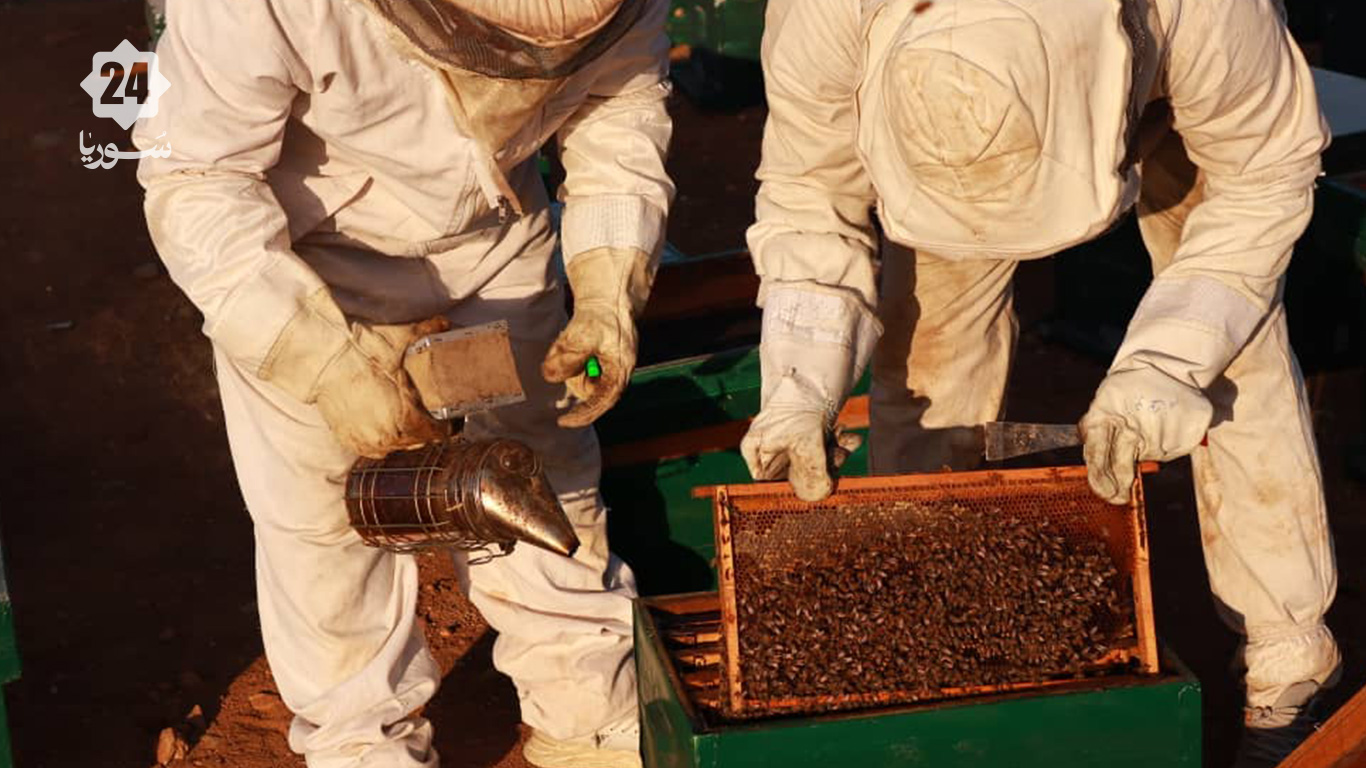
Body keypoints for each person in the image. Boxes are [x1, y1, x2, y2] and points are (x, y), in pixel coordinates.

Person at [739, 0, 1339, 764]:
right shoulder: (825, 18)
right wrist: (800, 383)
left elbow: (1263, 179)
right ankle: (929, 628)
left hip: (1182, 103)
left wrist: (1168, 361)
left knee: (1232, 350)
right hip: (934, 155)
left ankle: (1286, 665)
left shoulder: (1206, 15)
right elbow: (808, 196)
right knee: (928, 357)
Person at [134, 0, 673, 765]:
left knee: (538, 470)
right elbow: (196, 178)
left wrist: (609, 285)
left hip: (498, 234)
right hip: (309, 257)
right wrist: (321, 362)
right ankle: (361, 740)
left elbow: (619, 110)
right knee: (327, 512)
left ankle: (585, 703)